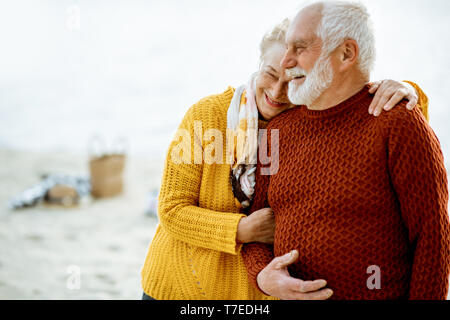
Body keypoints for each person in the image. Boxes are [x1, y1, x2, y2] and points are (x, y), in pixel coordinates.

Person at [140, 17, 429, 300]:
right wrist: (242, 229)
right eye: (270, 73)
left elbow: (372, 124)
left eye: (292, 80)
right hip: (179, 285)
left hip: (257, 292)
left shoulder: (312, 126)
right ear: (259, 62)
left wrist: (407, 91)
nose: (278, 92)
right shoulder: (206, 116)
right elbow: (171, 209)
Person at [241, 1, 450, 300]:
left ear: (346, 53)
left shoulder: (397, 122)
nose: (286, 62)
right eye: (287, 48)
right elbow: (256, 231)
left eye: (299, 48)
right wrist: (263, 276)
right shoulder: (277, 131)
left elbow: (433, 239)